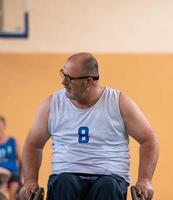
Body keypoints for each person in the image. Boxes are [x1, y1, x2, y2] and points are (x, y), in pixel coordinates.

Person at [20, 52, 159, 200]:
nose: (63, 82)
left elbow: (149, 140)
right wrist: (29, 181)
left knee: (107, 186)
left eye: (69, 78)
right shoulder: (52, 104)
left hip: (110, 178)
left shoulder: (119, 103)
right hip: (65, 177)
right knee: (65, 182)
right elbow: (33, 144)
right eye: (63, 75)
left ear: (88, 81)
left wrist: (145, 180)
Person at [0, 116, 22, 200]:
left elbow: (21, 161)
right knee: (2, 192)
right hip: (1, 174)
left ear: (4, 127)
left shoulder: (13, 141)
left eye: (0, 127)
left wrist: (22, 179)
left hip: (13, 173)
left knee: (14, 192)